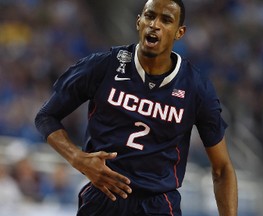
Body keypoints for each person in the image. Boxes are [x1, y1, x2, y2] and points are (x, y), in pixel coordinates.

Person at [35, 0, 238, 215]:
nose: (155, 25)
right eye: (150, 16)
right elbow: (46, 116)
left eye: (166, 20)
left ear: (180, 32)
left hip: (158, 204)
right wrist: (76, 157)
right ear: (138, 22)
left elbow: (222, 169)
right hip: (103, 196)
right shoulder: (104, 65)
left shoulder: (196, 87)